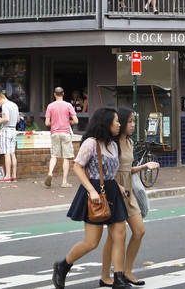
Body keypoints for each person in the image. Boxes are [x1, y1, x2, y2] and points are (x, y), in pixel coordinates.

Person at [52, 107, 130, 289]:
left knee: (120, 235)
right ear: (106, 123)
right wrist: (91, 191)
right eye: (116, 121)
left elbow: (110, 172)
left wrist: (118, 186)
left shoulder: (113, 144)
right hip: (94, 191)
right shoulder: (91, 143)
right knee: (92, 242)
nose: (119, 124)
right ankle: (63, 265)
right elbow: (77, 167)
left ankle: (118, 278)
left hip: (111, 190)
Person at [100, 107, 159, 286]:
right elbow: (105, 170)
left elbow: (127, 170)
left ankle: (127, 271)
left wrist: (144, 167)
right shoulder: (112, 144)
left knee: (139, 231)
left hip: (129, 191)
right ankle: (105, 276)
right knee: (114, 236)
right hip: (114, 190)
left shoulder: (130, 143)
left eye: (134, 121)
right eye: (130, 121)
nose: (133, 125)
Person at [45, 87, 79, 188]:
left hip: (55, 133)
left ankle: (50, 173)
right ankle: (64, 182)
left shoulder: (50, 106)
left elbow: (47, 123)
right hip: (65, 133)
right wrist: (69, 122)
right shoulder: (68, 105)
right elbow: (76, 121)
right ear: (63, 94)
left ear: (54, 94)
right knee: (66, 158)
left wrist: (54, 123)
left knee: (54, 156)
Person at [0, 92, 19, 181]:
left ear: (1, 99)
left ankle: (7, 176)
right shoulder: (15, 105)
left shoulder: (5, 106)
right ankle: (14, 176)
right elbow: (18, 119)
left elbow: (7, 119)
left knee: (6, 153)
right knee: (12, 153)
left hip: (6, 130)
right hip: (13, 130)